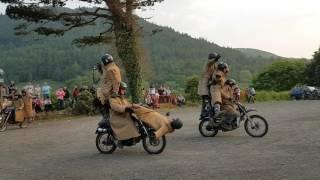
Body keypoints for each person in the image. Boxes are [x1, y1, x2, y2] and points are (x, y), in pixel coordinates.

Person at [109, 82, 140, 146]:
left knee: (136, 119)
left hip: (123, 115)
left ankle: (130, 139)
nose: (124, 90)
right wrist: (126, 108)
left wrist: (138, 105)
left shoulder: (122, 98)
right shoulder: (113, 98)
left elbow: (128, 104)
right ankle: (121, 140)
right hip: (116, 117)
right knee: (129, 123)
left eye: (124, 89)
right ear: (119, 89)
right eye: (123, 89)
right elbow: (117, 107)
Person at [97, 53, 121, 121]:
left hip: (110, 94)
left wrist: (115, 92)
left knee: (110, 110)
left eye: (103, 61)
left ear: (105, 61)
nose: (102, 63)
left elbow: (117, 81)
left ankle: (108, 120)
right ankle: (107, 119)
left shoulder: (111, 69)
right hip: (108, 93)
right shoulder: (110, 67)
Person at [198, 53, 221, 118]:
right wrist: (216, 58)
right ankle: (205, 114)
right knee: (206, 100)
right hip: (204, 85)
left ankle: (203, 114)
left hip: (208, 85)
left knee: (206, 101)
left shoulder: (214, 65)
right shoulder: (208, 64)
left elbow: (217, 70)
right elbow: (211, 62)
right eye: (214, 58)